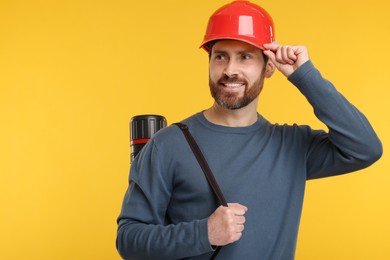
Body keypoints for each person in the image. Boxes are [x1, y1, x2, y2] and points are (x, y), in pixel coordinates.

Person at [116, 1, 383, 259]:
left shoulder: (291, 147)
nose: (230, 70)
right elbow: (128, 240)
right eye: (220, 57)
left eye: (245, 57)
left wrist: (305, 75)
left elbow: (365, 148)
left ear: (269, 67)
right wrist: (203, 233)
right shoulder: (168, 144)